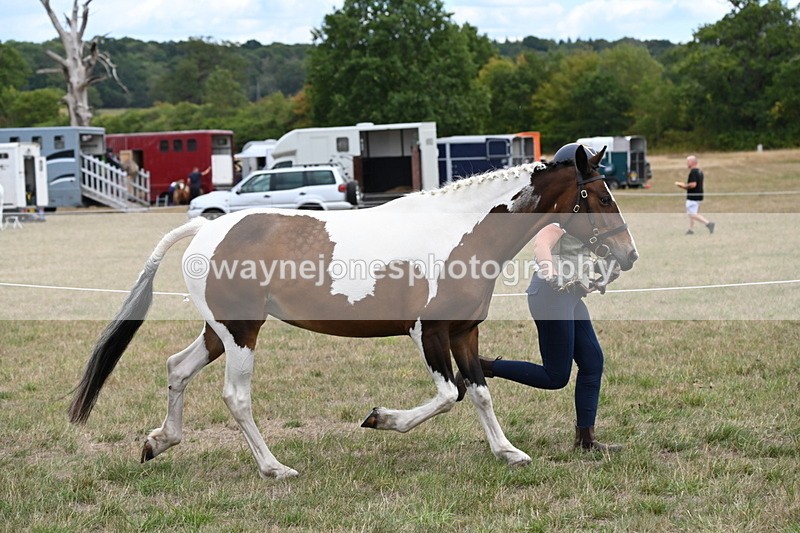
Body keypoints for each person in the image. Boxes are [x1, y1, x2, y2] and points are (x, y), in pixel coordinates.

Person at [457, 144, 624, 452]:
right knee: (555, 376)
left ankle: (585, 440)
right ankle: (482, 366)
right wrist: (551, 273)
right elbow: (542, 247)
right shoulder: (558, 214)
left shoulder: (582, 210)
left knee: (592, 362)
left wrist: (598, 275)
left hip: (570, 297)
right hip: (550, 296)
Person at [675, 155, 715, 235]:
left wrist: (683, 186)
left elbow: (693, 185)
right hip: (698, 195)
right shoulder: (699, 171)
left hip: (693, 196)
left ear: (692, 162)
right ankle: (691, 230)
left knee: (692, 214)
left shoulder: (693, 172)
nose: (687, 163)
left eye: (688, 162)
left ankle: (708, 224)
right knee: (692, 213)